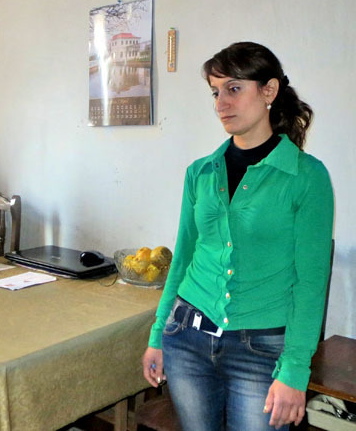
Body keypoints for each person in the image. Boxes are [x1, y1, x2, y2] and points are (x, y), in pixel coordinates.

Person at [141, 42, 334, 431]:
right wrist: (158, 333)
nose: (221, 103)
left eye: (233, 88)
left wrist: (295, 370)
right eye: (215, 92)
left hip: (261, 349)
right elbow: (184, 256)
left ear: (269, 91)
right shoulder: (200, 172)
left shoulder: (306, 177)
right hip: (187, 337)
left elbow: (311, 283)